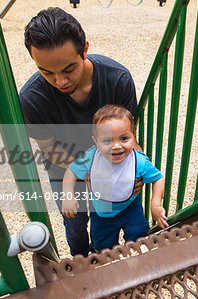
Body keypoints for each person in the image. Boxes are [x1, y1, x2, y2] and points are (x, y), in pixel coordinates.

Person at [19, 7, 143, 257]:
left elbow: (128, 134)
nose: (60, 81)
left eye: (68, 69)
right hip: (63, 168)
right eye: (46, 72)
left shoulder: (117, 79)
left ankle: (111, 257)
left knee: (117, 215)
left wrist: (137, 167)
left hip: (111, 162)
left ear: (85, 48)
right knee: (75, 226)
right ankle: (81, 264)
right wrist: (87, 171)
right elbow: (49, 149)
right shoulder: (31, 98)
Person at [62, 105, 169, 252]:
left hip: (130, 209)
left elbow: (158, 178)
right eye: (107, 141)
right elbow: (71, 172)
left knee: (140, 239)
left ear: (133, 135)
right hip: (102, 213)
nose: (117, 146)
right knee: (103, 248)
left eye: (124, 138)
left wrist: (156, 204)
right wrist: (68, 195)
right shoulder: (90, 157)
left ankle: (137, 264)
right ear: (96, 141)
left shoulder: (138, 161)